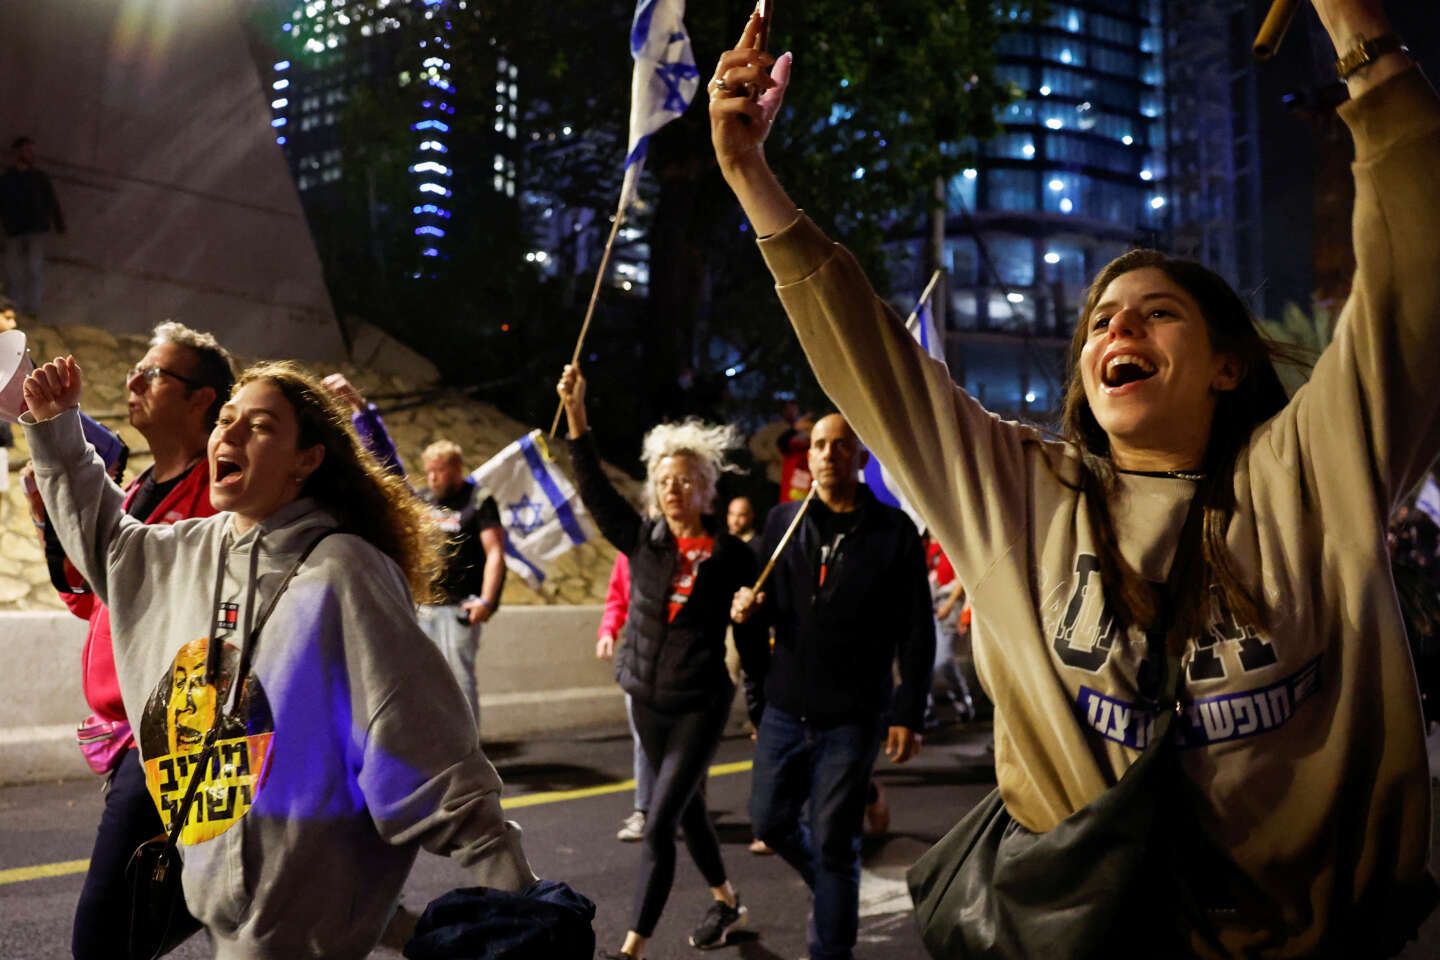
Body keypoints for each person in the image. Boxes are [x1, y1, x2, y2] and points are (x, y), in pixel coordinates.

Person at [710, 1, 1438, 953]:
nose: (1117, 331)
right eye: (1100, 321)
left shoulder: (1316, 471)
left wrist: (1358, 32)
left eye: (1156, 314)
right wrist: (749, 175)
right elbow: (873, 362)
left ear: (1226, 365)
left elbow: (1414, 282)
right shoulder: (1022, 498)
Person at [23, 356, 535, 958]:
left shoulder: (345, 570)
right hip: (223, 914)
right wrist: (57, 425)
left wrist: (519, 902)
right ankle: (398, 925)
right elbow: (104, 537)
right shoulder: (189, 550)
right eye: (227, 420)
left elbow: (424, 738)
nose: (229, 434)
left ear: (307, 460)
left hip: (307, 932)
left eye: (260, 426)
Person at [29, 321, 233, 960]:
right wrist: (51, 514)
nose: (132, 381)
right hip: (129, 736)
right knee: (160, 912)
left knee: (103, 935)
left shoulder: (223, 492)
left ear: (201, 398)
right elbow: (86, 598)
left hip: (181, 729)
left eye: (152, 374)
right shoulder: (139, 490)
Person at [558, 363, 767, 960]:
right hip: (646, 698)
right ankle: (727, 902)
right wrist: (578, 418)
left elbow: (751, 641)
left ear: (705, 489)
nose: (673, 489)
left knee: (659, 823)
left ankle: (631, 949)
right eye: (664, 480)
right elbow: (594, 487)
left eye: (684, 480)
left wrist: (760, 706)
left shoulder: (733, 558)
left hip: (699, 704)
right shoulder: (643, 539)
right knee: (692, 811)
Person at [731, 413, 933, 960]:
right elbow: (756, 609)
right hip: (784, 708)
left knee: (836, 844)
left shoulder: (894, 535)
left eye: (841, 446)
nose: (827, 454)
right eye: (819, 445)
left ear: (861, 459)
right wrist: (744, 614)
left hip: (854, 714)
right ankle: (830, 885)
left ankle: (831, 947)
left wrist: (908, 710)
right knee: (770, 821)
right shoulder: (782, 523)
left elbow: (917, 629)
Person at [417, 439, 507, 729]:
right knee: (423, 681)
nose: (432, 477)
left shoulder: (478, 499)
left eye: (439, 471)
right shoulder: (424, 499)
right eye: (428, 471)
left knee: (458, 680)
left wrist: (487, 600)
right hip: (423, 606)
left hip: (458, 608)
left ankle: (467, 748)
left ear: (456, 469)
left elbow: (495, 552)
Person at [599, 551, 657, 843]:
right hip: (638, 658)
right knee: (643, 739)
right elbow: (617, 599)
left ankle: (686, 806)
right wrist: (608, 630)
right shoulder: (629, 552)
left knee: (684, 745)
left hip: (681, 659)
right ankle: (644, 809)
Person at [0, 136, 66, 318]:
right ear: (17, 152)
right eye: (27, 150)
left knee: (34, 270)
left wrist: (60, 225)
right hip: (14, 230)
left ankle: (31, 309)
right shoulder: (7, 179)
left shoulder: (39, 178)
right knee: (14, 273)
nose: (31, 154)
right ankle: (15, 308)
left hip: (34, 229)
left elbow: (52, 202)